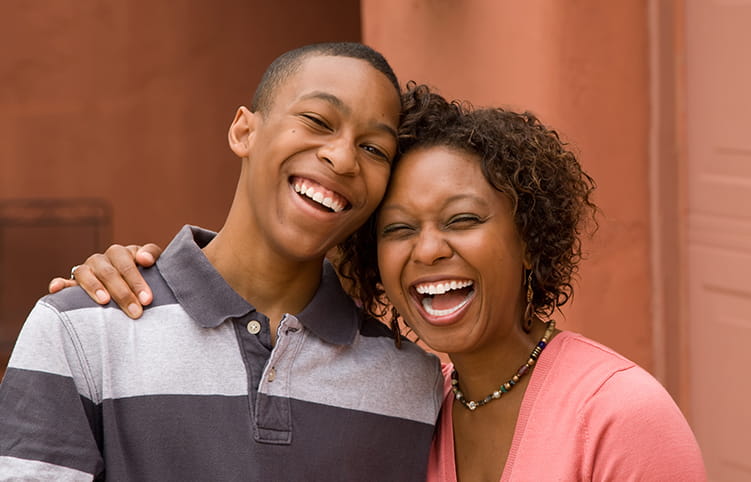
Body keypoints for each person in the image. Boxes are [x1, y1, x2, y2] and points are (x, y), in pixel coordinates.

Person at [54, 87, 708, 480]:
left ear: (529, 240)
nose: (428, 249)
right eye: (398, 230)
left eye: (462, 220)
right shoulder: (409, 400)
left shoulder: (619, 416)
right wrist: (117, 296)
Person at [0, 42, 443, 480]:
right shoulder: (79, 330)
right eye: (316, 120)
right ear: (243, 131)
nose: (343, 157)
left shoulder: (415, 385)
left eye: (374, 149)